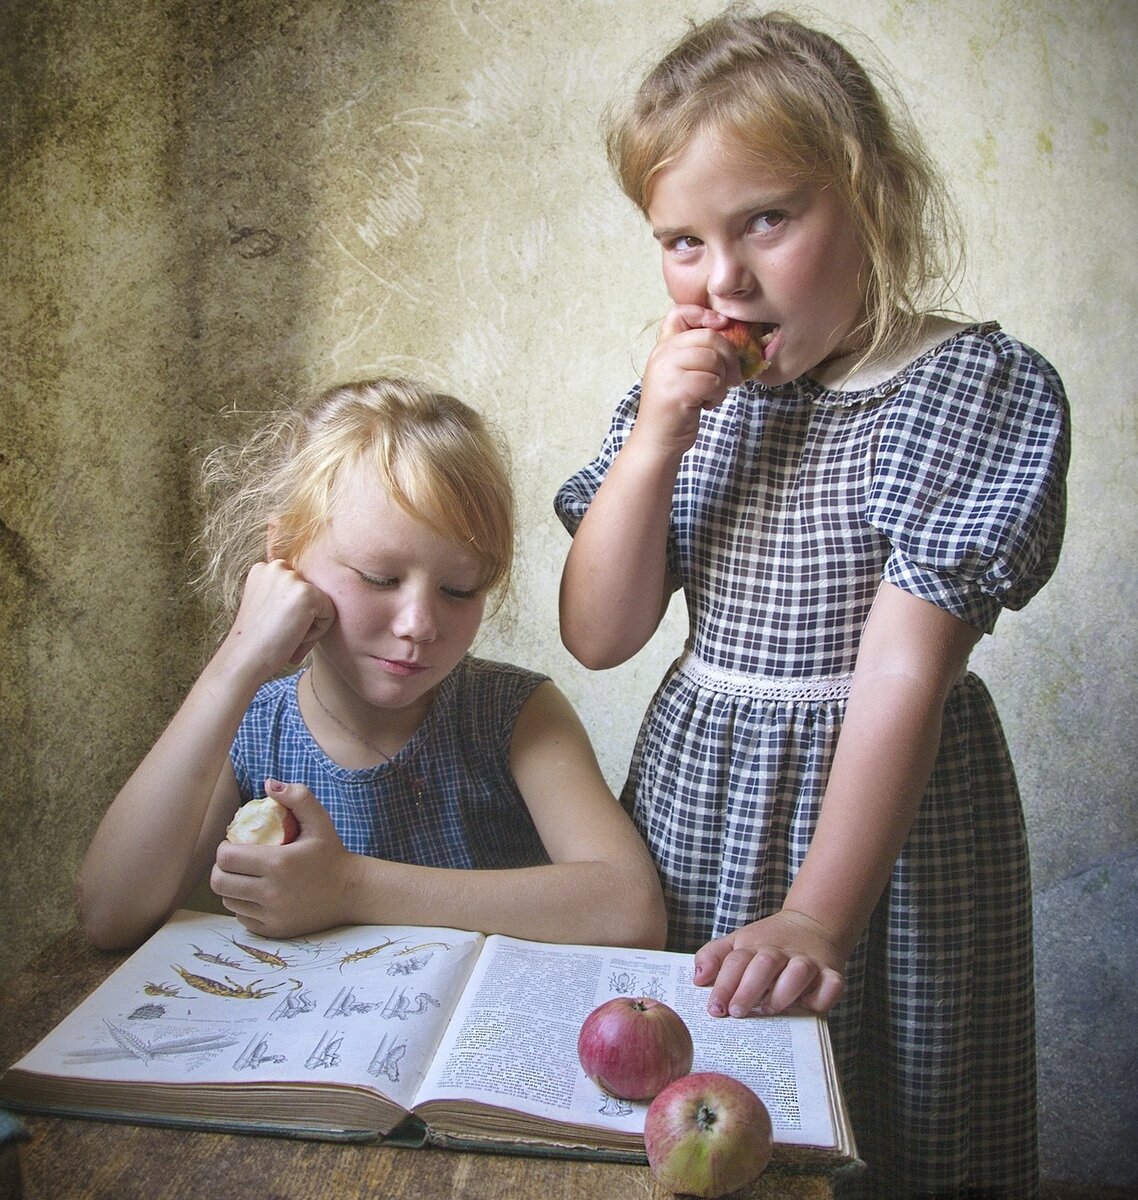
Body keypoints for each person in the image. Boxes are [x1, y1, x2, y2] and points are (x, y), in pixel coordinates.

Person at [555, 8, 1068, 1197]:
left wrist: (818, 919)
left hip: (879, 831)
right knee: (698, 1113)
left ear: (874, 197)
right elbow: (600, 634)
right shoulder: (684, 401)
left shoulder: (963, 388)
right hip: (701, 801)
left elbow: (902, 673)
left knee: (898, 1115)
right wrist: (653, 445)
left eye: (766, 221)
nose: (721, 277)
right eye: (679, 241)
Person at [80, 377, 666, 957]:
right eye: (380, 579)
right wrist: (237, 661)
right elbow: (110, 915)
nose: (419, 624)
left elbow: (630, 910)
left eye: (459, 589)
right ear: (285, 557)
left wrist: (352, 887)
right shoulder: (251, 728)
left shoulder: (513, 713)